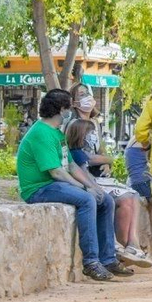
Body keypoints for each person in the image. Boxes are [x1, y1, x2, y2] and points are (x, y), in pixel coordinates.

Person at [18, 88, 129, 282]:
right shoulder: (41, 133)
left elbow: (71, 165)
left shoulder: (56, 134)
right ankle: (91, 262)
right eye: (68, 108)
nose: (69, 112)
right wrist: (84, 189)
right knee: (87, 200)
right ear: (61, 109)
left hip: (54, 183)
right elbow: (55, 171)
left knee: (106, 201)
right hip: (39, 188)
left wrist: (93, 185)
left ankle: (108, 258)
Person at [68, 87, 152, 267]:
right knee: (121, 199)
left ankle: (132, 244)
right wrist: (108, 159)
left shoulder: (94, 123)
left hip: (100, 174)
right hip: (86, 177)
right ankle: (119, 247)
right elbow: (80, 156)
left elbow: (100, 151)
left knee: (132, 197)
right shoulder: (75, 125)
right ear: (74, 102)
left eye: (88, 93)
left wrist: (106, 162)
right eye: (81, 95)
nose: (88, 98)